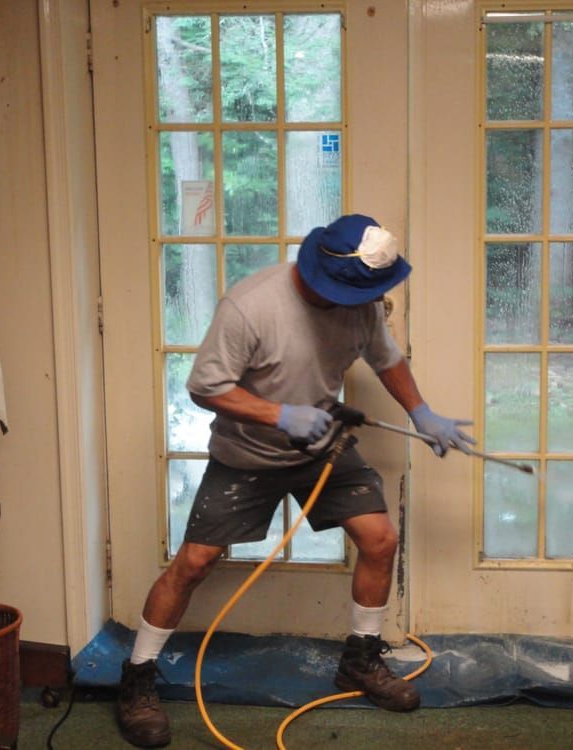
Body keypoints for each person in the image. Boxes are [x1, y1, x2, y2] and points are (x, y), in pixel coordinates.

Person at [116, 214, 475, 747]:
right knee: (194, 562)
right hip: (247, 453)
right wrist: (278, 415)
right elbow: (204, 387)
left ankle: (359, 660)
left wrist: (422, 412)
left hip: (322, 444)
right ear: (323, 272)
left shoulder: (361, 303)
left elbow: (387, 359)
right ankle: (137, 677)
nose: (363, 303)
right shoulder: (250, 306)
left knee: (381, 539)